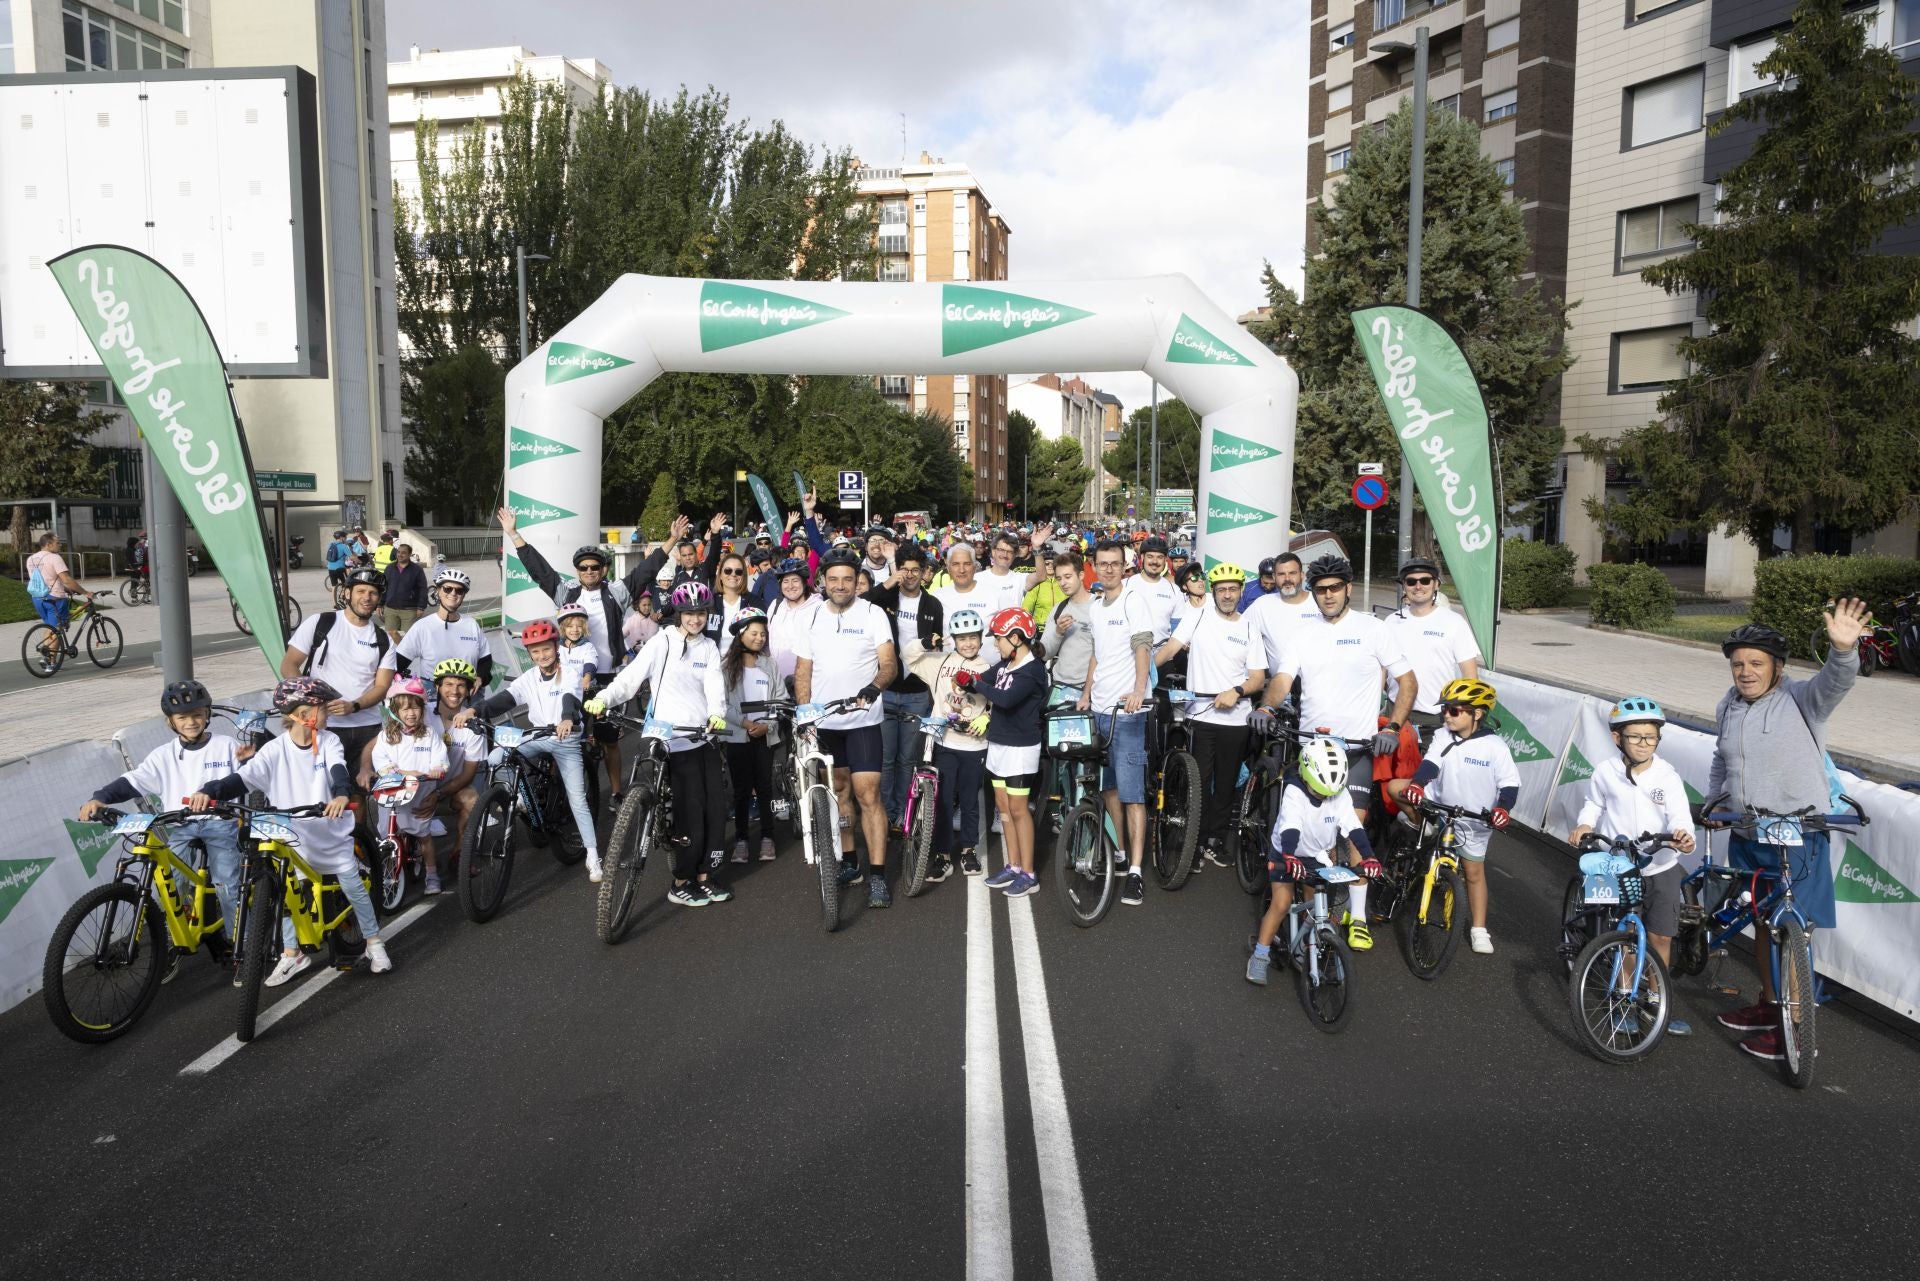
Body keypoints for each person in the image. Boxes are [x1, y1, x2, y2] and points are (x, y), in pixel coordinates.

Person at [1705, 606, 1866, 1062]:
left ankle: (1792, 1026)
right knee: (1760, 923)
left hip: (1798, 835)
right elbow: (1722, 757)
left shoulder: (1800, 699)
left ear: (1777, 668)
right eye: (1738, 663)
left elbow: (1834, 683)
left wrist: (1842, 649)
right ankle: (1770, 1005)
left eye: (1756, 663)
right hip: (1747, 831)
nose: (1745, 671)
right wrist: (1717, 800)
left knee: (1791, 929)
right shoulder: (1729, 705)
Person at [1254, 555, 1414, 948]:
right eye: (1321, 589)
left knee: (1354, 825)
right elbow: (1282, 679)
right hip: (1312, 750)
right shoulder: (1304, 634)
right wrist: (1266, 707)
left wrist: (1392, 726)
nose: (1327, 595)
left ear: (1348, 589)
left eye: (1334, 588)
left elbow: (1407, 682)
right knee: (1319, 835)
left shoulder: (1372, 629)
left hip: (1357, 749)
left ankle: (1356, 916)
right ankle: (1316, 908)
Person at [188, 676, 391, 983]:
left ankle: (374, 942)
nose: (326, 713)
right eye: (321, 708)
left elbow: (337, 771)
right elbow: (241, 779)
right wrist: (209, 791)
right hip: (292, 837)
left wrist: (340, 794)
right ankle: (290, 954)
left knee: (353, 887)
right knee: (283, 891)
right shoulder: (274, 750)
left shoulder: (329, 741)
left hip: (328, 833)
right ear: (303, 713)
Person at [78, 680, 248, 960]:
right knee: (172, 880)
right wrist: (100, 798)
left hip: (220, 823)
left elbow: (246, 776)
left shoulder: (226, 745)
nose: (191, 722)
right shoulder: (164, 755)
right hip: (181, 825)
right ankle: (175, 933)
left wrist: (249, 758)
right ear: (170, 722)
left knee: (227, 883)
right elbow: (133, 781)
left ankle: (240, 943)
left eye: (197, 715)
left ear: (207, 715)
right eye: (182, 717)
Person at [586, 583, 731, 905]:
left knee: (716, 807)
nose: (696, 619)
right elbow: (630, 678)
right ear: (679, 614)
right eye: (690, 613)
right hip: (667, 736)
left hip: (701, 733)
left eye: (701, 613)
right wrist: (603, 698)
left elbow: (714, 686)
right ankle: (682, 880)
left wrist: (717, 714)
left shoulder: (708, 647)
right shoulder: (661, 642)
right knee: (690, 810)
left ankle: (707, 874)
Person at [1566, 696, 1697, 1007]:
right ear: (1617, 738)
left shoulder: (1667, 775)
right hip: (1618, 864)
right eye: (1635, 736)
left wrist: (1684, 836)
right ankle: (1624, 995)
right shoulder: (1605, 771)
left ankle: (1655, 995)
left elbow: (1680, 815)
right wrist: (1585, 824)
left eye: (1651, 737)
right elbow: (1594, 804)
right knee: (1623, 932)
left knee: (1660, 936)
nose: (1644, 744)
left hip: (1660, 866)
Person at [455, 621, 603, 882]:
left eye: (545, 649)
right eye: (535, 652)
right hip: (538, 735)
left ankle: (592, 854)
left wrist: (568, 719)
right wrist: (473, 711)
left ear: (556, 647)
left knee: (577, 798)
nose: (541, 656)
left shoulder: (569, 671)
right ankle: (521, 797)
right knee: (497, 756)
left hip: (566, 739)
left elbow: (570, 698)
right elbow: (505, 699)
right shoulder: (529, 677)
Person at [793, 548, 899, 908]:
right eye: (834, 579)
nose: (840, 585)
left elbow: (889, 664)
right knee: (840, 793)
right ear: (823, 581)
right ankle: (851, 862)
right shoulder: (811, 618)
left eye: (848, 579)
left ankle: (879, 876)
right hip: (824, 722)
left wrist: (874, 687)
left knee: (868, 794)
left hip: (863, 721)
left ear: (857, 582)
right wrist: (804, 714)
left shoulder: (873, 614)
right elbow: (803, 669)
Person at [1386, 677, 1520, 956]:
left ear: (1477, 714)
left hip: (1474, 819)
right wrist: (1417, 786)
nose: (1446, 715)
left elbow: (1509, 784)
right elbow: (1431, 763)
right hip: (1438, 803)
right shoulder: (1443, 735)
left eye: (1454, 710)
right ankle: (1421, 823)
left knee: (1473, 874)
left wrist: (1503, 810)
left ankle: (1479, 930)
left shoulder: (1496, 746)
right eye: (1445, 709)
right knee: (1395, 787)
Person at [1153, 563, 1266, 870]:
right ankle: (1196, 840)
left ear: (1240, 592)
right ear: (1213, 593)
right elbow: (1169, 649)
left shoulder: (1248, 627)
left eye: (1232, 589)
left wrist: (1238, 691)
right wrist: (1143, 674)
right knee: (1199, 783)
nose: (1227, 595)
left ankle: (1215, 840)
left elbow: (1257, 677)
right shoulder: (1197, 615)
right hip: (1200, 716)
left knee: (1226, 784)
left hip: (1236, 719)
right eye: (1221, 590)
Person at [1246, 737, 1379, 985]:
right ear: (1306, 778)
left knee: (1316, 904)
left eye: (1332, 793)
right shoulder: (1295, 792)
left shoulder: (1339, 793)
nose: (1327, 797)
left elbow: (1353, 828)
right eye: (1320, 792)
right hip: (1287, 853)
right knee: (1282, 902)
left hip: (1317, 853)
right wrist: (1287, 856)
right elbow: (1291, 828)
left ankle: (1309, 945)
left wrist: (1369, 856)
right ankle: (1260, 955)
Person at [1077, 539, 1155, 907]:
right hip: (1099, 711)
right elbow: (1098, 654)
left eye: (1115, 564)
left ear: (1125, 566)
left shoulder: (1132, 600)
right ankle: (1120, 852)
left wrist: (1139, 689)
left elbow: (1142, 646)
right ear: (1093, 565)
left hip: (1127, 713)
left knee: (1132, 794)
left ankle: (1136, 872)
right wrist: (1086, 692)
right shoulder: (1095, 607)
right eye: (1102, 563)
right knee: (1109, 789)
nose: (1108, 569)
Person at [281, 566, 399, 783]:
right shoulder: (321, 623)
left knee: (359, 792)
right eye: (361, 591)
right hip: (322, 724)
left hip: (366, 727)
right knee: (319, 787)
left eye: (373, 593)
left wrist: (353, 705)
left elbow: (382, 687)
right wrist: (309, 701)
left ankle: (360, 820)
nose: (367, 598)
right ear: (347, 593)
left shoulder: (383, 640)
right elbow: (289, 664)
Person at [903, 607, 993, 880]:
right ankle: (942, 855)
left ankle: (968, 850)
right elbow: (908, 656)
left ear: (980, 638)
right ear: (953, 638)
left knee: (969, 800)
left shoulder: (987, 668)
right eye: (962, 638)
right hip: (944, 742)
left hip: (974, 745)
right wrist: (925, 643)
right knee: (941, 802)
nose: (968, 643)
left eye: (973, 637)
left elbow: (996, 702)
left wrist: (988, 718)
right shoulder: (939, 662)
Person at [864, 543, 945, 833]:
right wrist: (888, 582)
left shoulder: (933, 605)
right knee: (884, 758)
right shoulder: (885, 598)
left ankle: (902, 814)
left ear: (925, 573)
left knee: (907, 759)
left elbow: (935, 650)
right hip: (885, 688)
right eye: (904, 569)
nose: (910, 575)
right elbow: (860, 605)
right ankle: (884, 815)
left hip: (916, 692)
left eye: (915, 570)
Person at [972, 608, 1052, 897]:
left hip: (1021, 748)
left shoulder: (1032, 670)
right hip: (999, 744)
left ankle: (1029, 874)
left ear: (1017, 638)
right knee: (1003, 809)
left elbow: (1004, 699)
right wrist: (968, 679)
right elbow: (985, 677)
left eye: (999, 639)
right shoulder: (1006, 663)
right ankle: (1013, 865)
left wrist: (976, 684)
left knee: (1018, 810)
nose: (996, 644)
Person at [1382, 558, 1481, 740]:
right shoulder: (1390, 622)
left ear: (1436, 584)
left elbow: (1470, 677)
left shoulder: (1454, 622)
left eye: (1425, 580)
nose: (1418, 586)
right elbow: (1381, 671)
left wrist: (1467, 718)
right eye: (1411, 581)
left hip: (1437, 720)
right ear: (1404, 587)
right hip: (1394, 715)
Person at [371, 677, 449, 894]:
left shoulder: (430, 734)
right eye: (405, 709)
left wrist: (437, 768)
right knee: (387, 833)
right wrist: (400, 772)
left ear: (423, 709)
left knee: (424, 835)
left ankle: (432, 874)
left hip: (421, 792)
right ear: (395, 711)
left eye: (416, 707)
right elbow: (381, 761)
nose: (411, 713)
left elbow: (440, 758)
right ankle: (388, 865)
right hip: (394, 792)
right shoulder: (386, 735)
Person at [721, 608, 782, 863]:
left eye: (763, 634)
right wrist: (745, 723)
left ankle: (768, 837)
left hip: (764, 736)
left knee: (765, 787)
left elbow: (780, 698)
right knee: (742, 790)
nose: (760, 638)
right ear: (741, 635)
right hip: (737, 737)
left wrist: (768, 724)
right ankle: (742, 839)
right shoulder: (726, 667)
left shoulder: (769, 664)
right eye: (754, 633)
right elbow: (722, 703)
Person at [396, 566, 490, 687]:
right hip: (433, 700)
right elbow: (398, 663)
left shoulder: (472, 625)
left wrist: (480, 677)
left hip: (468, 698)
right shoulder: (422, 627)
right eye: (447, 589)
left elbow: (485, 660)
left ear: (463, 595)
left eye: (459, 590)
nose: (453, 593)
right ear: (438, 591)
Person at [426, 659, 484, 855]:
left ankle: (460, 855)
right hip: (416, 789)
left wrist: (439, 795)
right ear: (437, 686)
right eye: (449, 684)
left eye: (461, 685)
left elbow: (468, 774)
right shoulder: (421, 713)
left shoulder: (474, 724)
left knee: (472, 799)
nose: (455, 691)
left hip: (448, 792)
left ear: (468, 690)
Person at [1243, 551, 1319, 681]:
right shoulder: (1262, 605)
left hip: (1318, 687)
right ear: (1274, 577)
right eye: (1281, 574)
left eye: (1292, 573)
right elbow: (1237, 632)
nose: (1287, 579)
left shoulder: (1319, 602)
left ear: (1302, 575)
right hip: (1280, 692)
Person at [25, 532, 94, 669]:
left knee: (49, 626)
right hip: (55, 598)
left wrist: (66, 589)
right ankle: (49, 661)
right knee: (57, 629)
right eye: (57, 542)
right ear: (48, 544)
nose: (60, 545)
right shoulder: (54, 558)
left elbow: (44, 578)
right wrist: (86, 592)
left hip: (38, 598)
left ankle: (48, 656)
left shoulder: (31, 559)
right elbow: (67, 579)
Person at [1040, 549, 1095, 701]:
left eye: (1068, 577)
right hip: (1061, 687)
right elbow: (1045, 654)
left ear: (1081, 575)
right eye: (1059, 578)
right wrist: (1058, 632)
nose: (1063, 583)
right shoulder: (1058, 609)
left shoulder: (1098, 607)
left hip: (1092, 689)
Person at [1121, 535, 1181, 645]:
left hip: (1163, 655)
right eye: (1150, 556)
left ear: (1165, 560)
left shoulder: (1174, 590)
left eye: (1160, 557)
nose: (1155, 561)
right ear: (1142, 557)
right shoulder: (1125, 585)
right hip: (1130, 656)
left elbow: (1177, 630)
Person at [379, 542, 429, 640]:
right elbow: (384, 587)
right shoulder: (389, 568)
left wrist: (421, 607)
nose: (400, 555)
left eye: (403, 553)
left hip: (409, 610)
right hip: (391, 609)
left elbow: (423, 588)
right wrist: (380, 604)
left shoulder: (417, 569)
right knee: (390, 638)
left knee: (407, 639)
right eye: (398, 552)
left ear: (410, 554)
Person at [324, 529, 354, 596]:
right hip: (340, 568)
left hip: (330, 568)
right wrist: (358, 561)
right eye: (345, 537)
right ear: (341, 537)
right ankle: (344, 596)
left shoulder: (331, 545)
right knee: (346, 583)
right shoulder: (343, 546)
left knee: (334, 586)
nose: (345, 539)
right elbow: (351, 557)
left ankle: (335, 603)